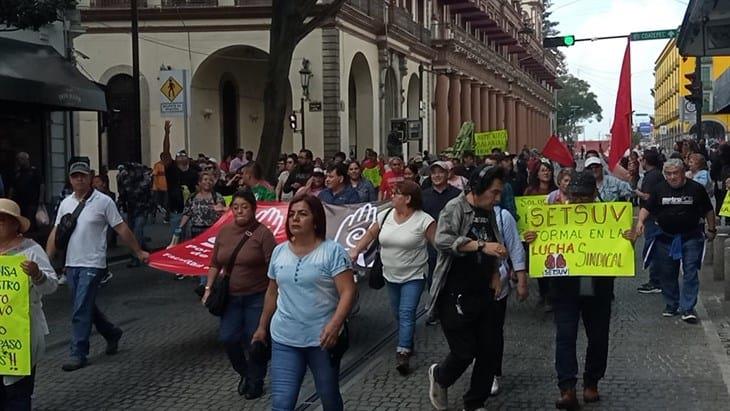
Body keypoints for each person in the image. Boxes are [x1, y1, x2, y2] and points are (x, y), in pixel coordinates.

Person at [524, 171, 634, 409]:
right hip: (565, 287)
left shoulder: (609, 215)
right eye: (575, 196)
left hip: (599, 286)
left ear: (594, 194)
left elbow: (622, 247)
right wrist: (532, 238)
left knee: (598, 336)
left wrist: (629, 238)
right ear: (568, 194)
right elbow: (539, 244)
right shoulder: (554, 216)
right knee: (565, 335)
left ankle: (592, 382)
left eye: (584, 196)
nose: (579, 201)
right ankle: (567, 388)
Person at [252, 195, 356, 410]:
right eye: (291, 214)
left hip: (322, 340)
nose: (295, 219)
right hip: (285, 338)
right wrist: (262, 327)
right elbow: (272, 292)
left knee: (328, 397)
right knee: (282, 402)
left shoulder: (332, 251)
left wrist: (335, 325)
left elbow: (348, 291)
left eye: (302, 214)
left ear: (316, 220)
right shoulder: (279, 252)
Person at [46, 160, 148, 371]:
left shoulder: (103, 202)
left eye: (83, 175)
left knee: (80, 307)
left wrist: (137, 251)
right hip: (72, 263)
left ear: (90, 177)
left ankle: (78, 352)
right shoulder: (65, 203)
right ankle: (111, 333)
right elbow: (56, 233)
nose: (79, 179)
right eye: (75, 176)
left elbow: (121, 228)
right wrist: (46, 259)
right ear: (70, 179)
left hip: (93, 263)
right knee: (84, 306)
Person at [427, 166, 509, 411]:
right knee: (464, 351)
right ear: (478, 188)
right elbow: (441, 240)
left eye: (499, 194)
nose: (497, 199)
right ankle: (440, 376)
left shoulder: (489, 212)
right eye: (494, 193)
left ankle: (474, 403)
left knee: (489, 349)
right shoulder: (455, 208)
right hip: (454, 291)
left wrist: (495, 272)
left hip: (483, 289)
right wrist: (479, 245)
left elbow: (495, 242)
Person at [350, 181, 436, 374]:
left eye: (397, 193)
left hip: (414, 274)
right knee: (397, 312)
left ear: (408, 199)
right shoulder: (385, 215)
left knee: (406, 312)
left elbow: (437, 243)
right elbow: (370, 234)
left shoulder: (424, 220)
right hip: (390, 273)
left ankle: (403, 351)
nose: (392, 196)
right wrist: (356, 249)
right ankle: (408, 339)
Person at [201, 190, 276, 399]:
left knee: (255, 340)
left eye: (245, 207)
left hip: (256, 296)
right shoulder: (224, 232)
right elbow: (215, 263)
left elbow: (274, 268)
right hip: (231, 298)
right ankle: (246, 373)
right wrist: (208, 288)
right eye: (236, 207)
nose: (240, 211)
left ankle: (256, 380)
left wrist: (274, 293)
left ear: (253, 209)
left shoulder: (263, 234)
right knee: (228, 338)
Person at [635, 159, 716, 323]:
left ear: (682, 172)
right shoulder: (659, 189)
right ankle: (671, 304)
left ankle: (688, 308)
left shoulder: (696, 189)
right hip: (666, 237)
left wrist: (712, 229)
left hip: (691, 236)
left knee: (690, 271)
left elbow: (708, 210)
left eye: (675, 173)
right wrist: (640, 222)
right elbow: (647, 208)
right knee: (667, 273)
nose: (672, 177)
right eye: (669, 174)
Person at [0, 199, 58, 409]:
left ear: (15, 224)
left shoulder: (30, 250)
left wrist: (37, 274)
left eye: (3, 219)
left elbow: (51, 285)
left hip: (19, 335)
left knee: (17, 393)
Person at [490, 203, 529, 395]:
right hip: (470, 284)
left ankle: (492, 372)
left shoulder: (503, 216)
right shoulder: (460, 211)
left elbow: (515, 247)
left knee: (494, 330)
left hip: (500, 284)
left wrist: (521, 280)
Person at [173, 172, 226, 282]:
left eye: (210, 180)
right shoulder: (193, 197)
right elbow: (187, 213)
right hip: (196, 230)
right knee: (200, 256)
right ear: (199, 182)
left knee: (210, 257)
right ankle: (203, 279)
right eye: (205, 180)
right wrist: (180, 227)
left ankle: (205, 283)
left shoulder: (217, 197)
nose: (208, 182)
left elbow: (223, 213)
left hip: (212, 231)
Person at [524, 159, 558, 311]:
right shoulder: (529, 192)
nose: (546, 173)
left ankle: (551, 297)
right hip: (536, 236)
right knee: (539, 267)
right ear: (537, 174)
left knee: (553, 266)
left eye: (548, 170)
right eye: (543, 170)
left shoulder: (557, 192)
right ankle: (543, 294)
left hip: (554, 236)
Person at [160, 121, 200, 242]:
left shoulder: (194, 171)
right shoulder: (171, 169)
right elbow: (166, 152)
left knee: (190, 240)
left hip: (191, 210)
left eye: (184, 154)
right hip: (176, 210)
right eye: (179, 155)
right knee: (176, 239)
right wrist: (167, 133)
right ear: (175, 159)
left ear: (188, 158)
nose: (181, 156)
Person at [635, 149, 665, 294]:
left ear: (646, 161)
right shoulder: (655, 174)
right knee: (654, 249)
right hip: (654, 217)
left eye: (641, 160)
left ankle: (656, 281)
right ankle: (657, 279)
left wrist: (636, 192)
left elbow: (648, 197)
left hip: (653, 217)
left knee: (652, 249)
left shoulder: (652, 177)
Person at [9, 152, 43, 230]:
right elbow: (12, 186)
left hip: (32, 201)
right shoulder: (17, 173)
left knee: (31, 223)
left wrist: (41, 199)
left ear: (27, 159)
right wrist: (10, 199)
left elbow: (41, 185)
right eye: (18, 159)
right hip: (19, 202)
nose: (19, 161)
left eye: (21, 159)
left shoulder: (34, 171)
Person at [152, 153, 169, 217]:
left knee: (167, 203)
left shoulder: (168, 166)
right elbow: (155, 176)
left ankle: (167, 216)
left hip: (166, 187)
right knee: (156, 202)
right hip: (157, 188)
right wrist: (157, 185)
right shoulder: (157, 165)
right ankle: (153, 215)